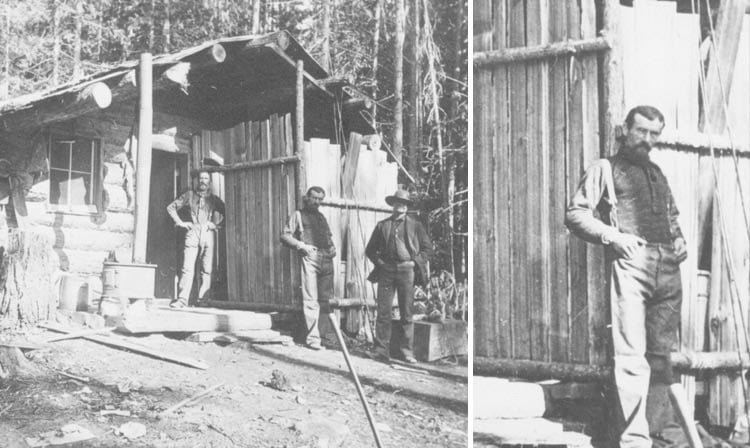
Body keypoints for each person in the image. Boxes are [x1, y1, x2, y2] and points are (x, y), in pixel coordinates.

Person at [565, 105, 688, 447]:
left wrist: (679, 240)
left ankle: (658, 429)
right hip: (631, 264)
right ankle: (635, 440)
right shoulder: (605, 168)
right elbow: (576, 214)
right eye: (641, 131)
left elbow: (673, 217)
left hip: (667, 268)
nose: (647, 140)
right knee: (631, 357)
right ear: (625, 129)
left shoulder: (657, 173)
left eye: (654, 134)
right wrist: (614, 237)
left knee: (661, 356)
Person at [365, 189, 433, 364]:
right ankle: (380, 350)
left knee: (407, 312)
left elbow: (427, 249)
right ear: (393, 205)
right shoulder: (382, 225)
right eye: (397, 202)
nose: (400, 206)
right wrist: (381, 264)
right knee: (383, 312)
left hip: (407, 271)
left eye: (404, 203)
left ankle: (406, 352)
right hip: (386, 271)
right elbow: (370, 250)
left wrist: (414, 262)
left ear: (407, 206)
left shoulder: (415, 225)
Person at [280, 186, 336, 351]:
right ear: (307, 198)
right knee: (311, 300)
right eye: (314, 198)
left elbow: (329, 237)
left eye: (320, 199)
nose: (317, 202)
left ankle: (324, 336)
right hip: (310, 258)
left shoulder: (321, 217)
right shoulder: (298, 215)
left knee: (325, 300)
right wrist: (300, 245)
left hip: (327, 259)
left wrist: (333, 248)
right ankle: (313, 340)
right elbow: (284, 235)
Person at [167, 170, 225, 308]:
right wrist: (180, 222)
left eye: (206, 179)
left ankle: (203, 300)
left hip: (207, 232)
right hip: (193, 231)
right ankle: (182, 300)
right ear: (197, 180)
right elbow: (171, 208)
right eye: (201, 178)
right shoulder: (189, 195)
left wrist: (216, 225)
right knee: (187, 268)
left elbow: (227, 213)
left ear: (209, 182)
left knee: (207, 269)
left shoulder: (214, 199)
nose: (203, 181)